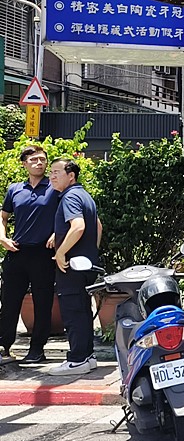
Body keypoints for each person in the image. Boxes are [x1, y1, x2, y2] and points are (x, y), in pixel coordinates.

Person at [0, 145, 60, 366]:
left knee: (42, 302)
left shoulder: (54, 188)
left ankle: (37, 349)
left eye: (42, 159)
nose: (39, 163)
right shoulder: (15, 189)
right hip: (17, 251)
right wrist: (2, 238)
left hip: (43, 253)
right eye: (33, 160)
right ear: (24, 164)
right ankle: (4, 346)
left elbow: (66, 215)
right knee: (9, 301)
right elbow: (3, 216)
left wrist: (56, 233)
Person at [47, 158, 102, 376]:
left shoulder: (69, 196)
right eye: (51, 172)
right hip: (86, 265)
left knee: (73, 312)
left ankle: (78, 359)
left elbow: (78, 227)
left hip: (72, 265)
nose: (52, 176)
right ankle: (87, 357)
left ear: (71, 176)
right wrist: (91, 253)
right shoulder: (84, 195)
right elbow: (97, 226)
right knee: (82, 312)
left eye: (57, 172)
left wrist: (61, 252)